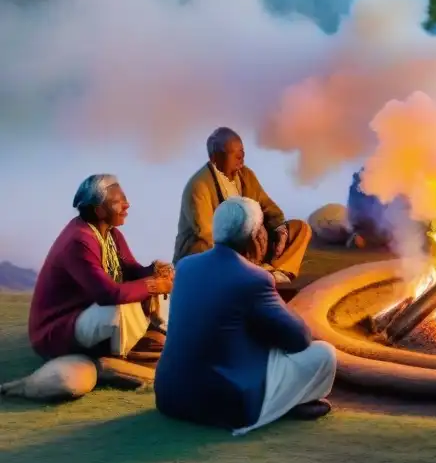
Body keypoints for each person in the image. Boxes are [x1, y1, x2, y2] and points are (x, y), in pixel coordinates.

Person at [156, 197, 336, 434]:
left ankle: (286, 400)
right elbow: (299, 339)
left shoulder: (186, 266)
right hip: (227, 406)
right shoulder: (254, 278)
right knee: (324, 354)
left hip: (171, 397)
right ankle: (290, 402)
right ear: (256, 236)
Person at [29, 174, 172, 363]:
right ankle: (120, 356)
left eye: (125, 199)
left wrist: (155, 271)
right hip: (59, 329)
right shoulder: (78, 241)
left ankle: (161, 334)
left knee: (161, 282)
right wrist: (154, 285)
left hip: (88, 310)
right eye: (118, 201)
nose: (127, 205)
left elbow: (131, 270)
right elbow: (109, 295)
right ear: (99, 210)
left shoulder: (112, 234)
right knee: (120, 307)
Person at [174, 127, 312, 285]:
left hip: (251, 251)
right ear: (215, 157)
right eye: (234, 153)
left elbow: (268, 207)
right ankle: (249, 272)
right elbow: (206, 234)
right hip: (212, 254)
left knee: (300, 228)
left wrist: (280, 230)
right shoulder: (199, 186)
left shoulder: (246, 175)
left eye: (242, 151)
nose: (241, 157)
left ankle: (276, 271)